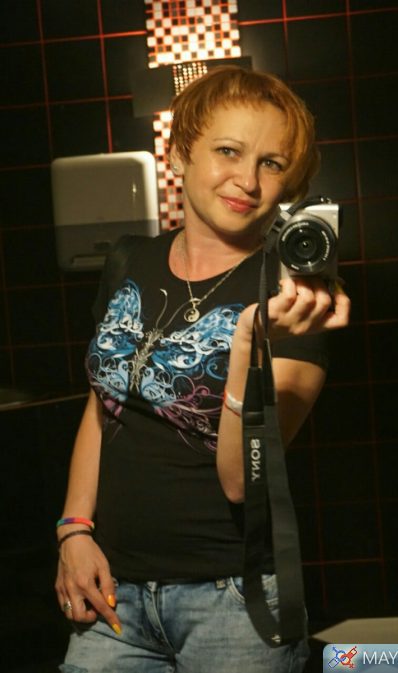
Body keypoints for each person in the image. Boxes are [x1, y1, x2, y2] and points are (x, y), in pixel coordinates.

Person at [55, 65, 350, 673]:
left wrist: (246, 343)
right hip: (114, 595)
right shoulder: (129, 259)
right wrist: (74, 530)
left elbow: (242, 481)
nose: (248, 180)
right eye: (228, 151)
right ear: (181, 152)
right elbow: (102, 406)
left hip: (232, 604)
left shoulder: (294, 296)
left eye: (272, 163)